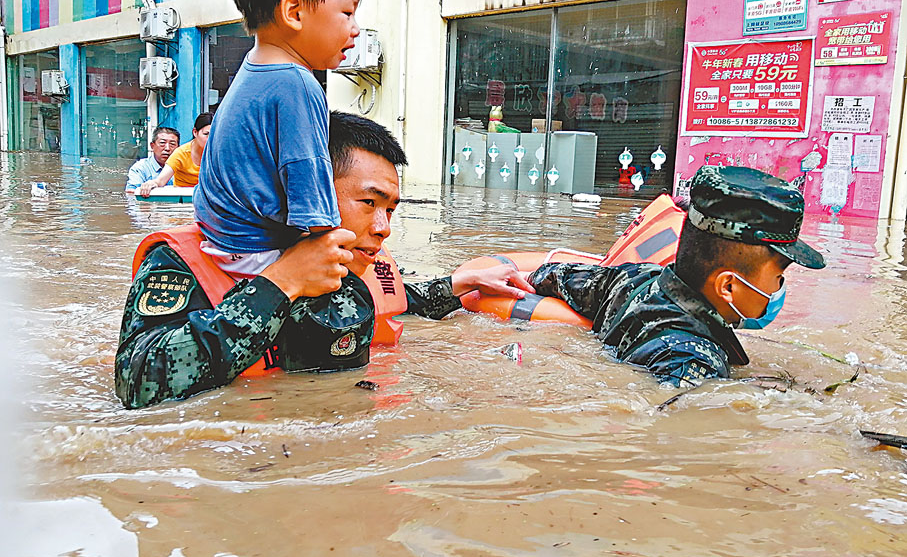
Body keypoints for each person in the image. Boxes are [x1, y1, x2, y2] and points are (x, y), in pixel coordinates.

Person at [116, 113, 532, 409]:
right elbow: (137, 382)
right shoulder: (188, 260)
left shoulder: (355, 258)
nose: (384, 227)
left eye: (391, 209)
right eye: (369, 203)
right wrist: (281, 284)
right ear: (305, 189)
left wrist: (459, 285)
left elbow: (394, 298)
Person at [527, 166, 826, 387]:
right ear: (729, 286)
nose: (779, 289)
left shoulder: (635, 278)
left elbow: (553, 275)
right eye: (778, 277)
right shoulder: (693, 363)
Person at [192, 0, 362, 279]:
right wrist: (343, 246)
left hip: (221, 242)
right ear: (294, 12)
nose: (355, 27)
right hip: (257, 254)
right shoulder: (297, 83)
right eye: (347, 12)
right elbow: (309, 184)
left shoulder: (253, 69)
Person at [138, 113, 212, 196]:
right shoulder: (181, 153)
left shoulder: (220, 154)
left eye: (214, 134)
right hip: (183, 200)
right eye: (206, 134)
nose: (210, 138)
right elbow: (161, 180)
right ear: (195, 132)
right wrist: (151, 183)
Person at [124, 126, 180, 193]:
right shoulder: (140, 168)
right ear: (152, 146)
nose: (167, 148)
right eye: (162, 143)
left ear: (178, 148)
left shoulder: (183, 167)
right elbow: (131, 193)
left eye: (172, 144)